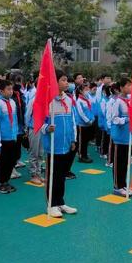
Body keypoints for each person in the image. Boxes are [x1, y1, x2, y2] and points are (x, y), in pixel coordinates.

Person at [41, 70, 77, 218]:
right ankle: (51, 204)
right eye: (63, 80)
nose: (66, 82)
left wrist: (73, 139)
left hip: (66, 144)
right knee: (53, 175)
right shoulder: (47, 100)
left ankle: (60, 202)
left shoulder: (68, 99)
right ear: (54, 82)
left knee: (62, 175)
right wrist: (46, 128)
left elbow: (72, 120)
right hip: (53, 145)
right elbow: (36, 122)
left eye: (66, 80)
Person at [110, 78, 132, 197]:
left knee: (125, 162)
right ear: (121, 88)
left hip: (127, 136)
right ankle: (117, 186)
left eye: (131, 85)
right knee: (118, 163)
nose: (130, 88)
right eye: (128, 85)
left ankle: (123, 185)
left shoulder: (130, 100)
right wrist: (125, 120)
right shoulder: (117, 102)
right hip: (119, 137)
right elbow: (114, 119)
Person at [0, 80, 20, 194]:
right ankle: (1, 182)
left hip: (12, 137)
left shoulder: (12, 102)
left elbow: (14, 120)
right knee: (3, 161)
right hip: (3, 138)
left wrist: (16, 133)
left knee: (11, 160)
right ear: (1, 91)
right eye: (8, 89)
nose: (11, 92)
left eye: (12, 89)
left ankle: (7, 181)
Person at [24, 80, 44, 186]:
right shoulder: (34, 99)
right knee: (34, 152)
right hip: (34, 128)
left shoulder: (46, 99)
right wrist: (27, 128)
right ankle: (33, 174)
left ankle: (39, 173)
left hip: (43, 128)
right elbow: (27, 114)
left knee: (41, 153)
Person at [75, 83, 94, 163]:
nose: (87, 91)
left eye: (88, 89)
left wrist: (92, 119)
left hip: (89, 123)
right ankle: (81, 156)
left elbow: (91, 110)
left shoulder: (87, 99)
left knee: (86, 141)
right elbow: (81, 113)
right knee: (81, 141)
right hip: (82, 124)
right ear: (80, 91)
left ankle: (85, 154)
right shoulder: (79, 101)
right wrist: (87, 120)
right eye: (85, 90)